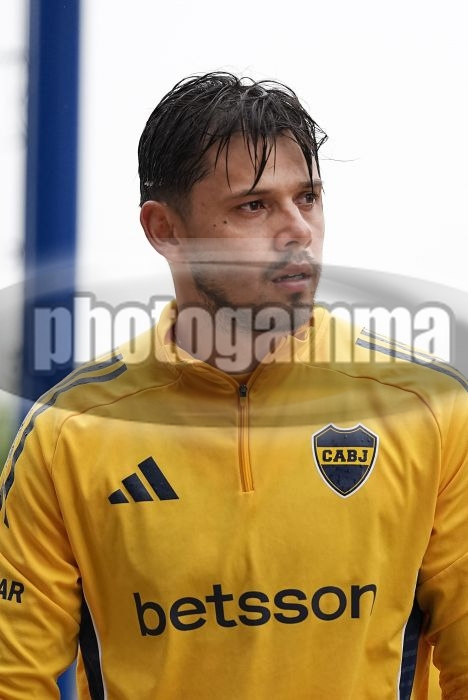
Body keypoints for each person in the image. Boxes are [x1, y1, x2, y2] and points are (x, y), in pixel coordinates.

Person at [0, 72, 467, 700]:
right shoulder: (69, 432)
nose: (297, 230)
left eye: (307, 197)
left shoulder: (431, 409)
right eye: (254, 206)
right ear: (165, 229)